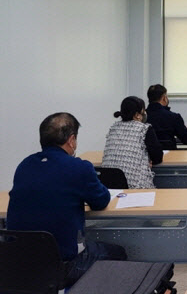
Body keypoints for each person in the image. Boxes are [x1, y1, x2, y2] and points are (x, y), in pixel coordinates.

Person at [7, 113, 126, 287]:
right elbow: (101, 201)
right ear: (71, 140)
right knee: (118, 252)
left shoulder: (24, 165)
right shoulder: (78, 167)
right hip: (64, 266)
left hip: (21, 263)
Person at [102, 96, 163, 189]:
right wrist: (148, 159)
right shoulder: (144, 129)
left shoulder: (113, 128)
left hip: (108, 185)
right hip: (135, 186)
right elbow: (158, 157)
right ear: (137, 115)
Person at [146, 84, 187, 149]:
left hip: (147, 156)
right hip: (170, 155)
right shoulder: (173, 117)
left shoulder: (142, 117)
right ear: (164, 98)